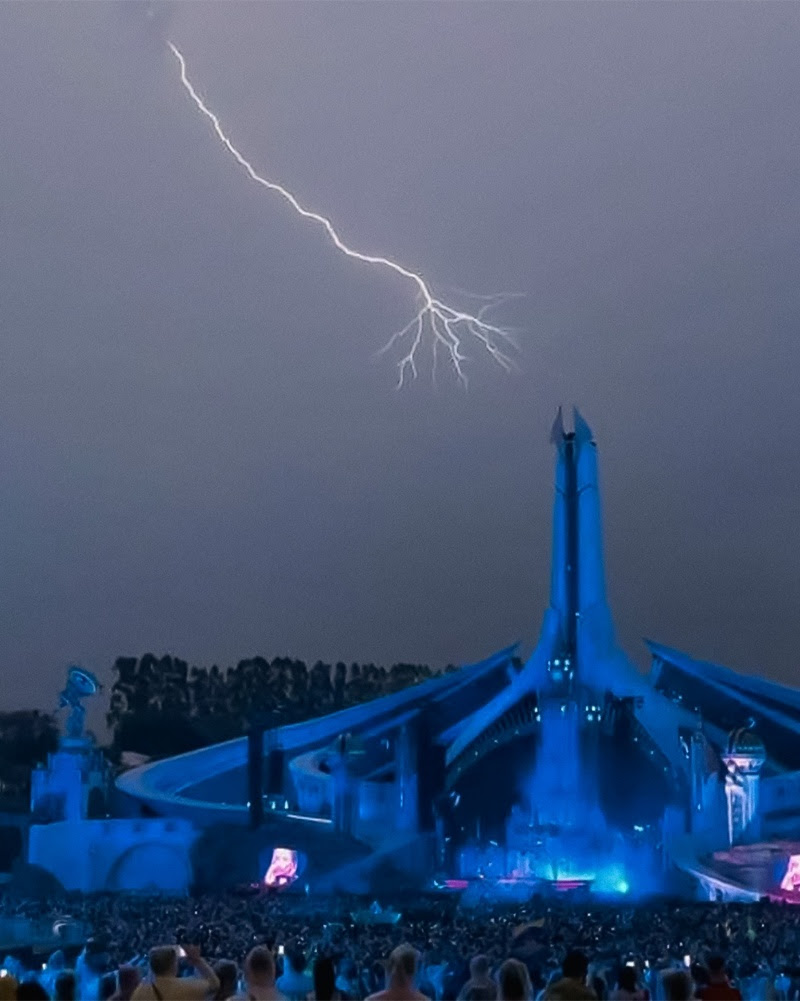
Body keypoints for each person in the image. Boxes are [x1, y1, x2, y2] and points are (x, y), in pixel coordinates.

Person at [132, 945, 220, 1000]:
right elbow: (214, 985)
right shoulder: (186, 988)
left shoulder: (140, 990)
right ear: (173, 965)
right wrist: (197, 961)